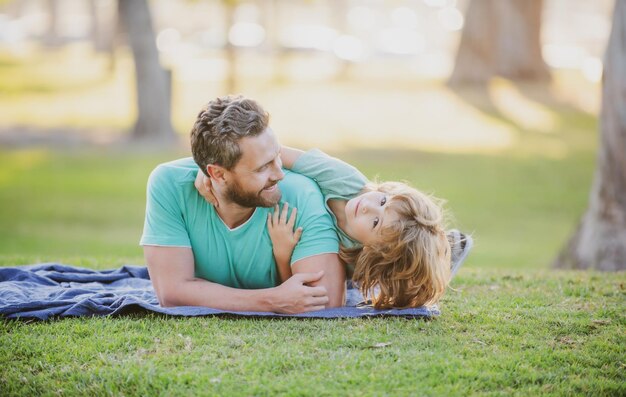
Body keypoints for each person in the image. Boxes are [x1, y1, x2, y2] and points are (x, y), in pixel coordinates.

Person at [140, 95, 345, 314]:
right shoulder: (170, 184)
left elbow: (324, 301)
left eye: (277, 156)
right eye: (262, 168)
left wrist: (204, 295)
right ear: (217, 174)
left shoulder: (301, 193)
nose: (279, 174)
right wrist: (270, 300)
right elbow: (171, 294)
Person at [197, 147, 473, 310]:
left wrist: (283, 254)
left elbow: (294, 290)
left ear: (376, 251)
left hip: (360, 264)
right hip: (274, 199)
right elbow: (272, 152)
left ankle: (436, 259)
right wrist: (220, 169)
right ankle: (440, 250)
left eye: (375, 222)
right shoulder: (343, 178)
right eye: (382, 200)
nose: (366, 206)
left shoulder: (364, 260)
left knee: (400, 289)